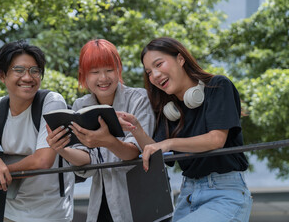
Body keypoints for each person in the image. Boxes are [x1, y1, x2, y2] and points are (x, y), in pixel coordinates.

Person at [116, 37, 253, 222]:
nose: (154, 75)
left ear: (180, 59)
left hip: (225, 192)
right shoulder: (169, 109)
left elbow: (216, 140)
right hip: (188, 194)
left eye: (159, 64)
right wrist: (136, 128)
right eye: (149, 72)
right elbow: (159, 153)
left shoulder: (218, 86)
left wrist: (169, 143)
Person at [46, 39, 155, 222]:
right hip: (101, 203)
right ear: (84, 75)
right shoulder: (82, 105)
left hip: (140, 203)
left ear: (118, 69)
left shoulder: (139, 99)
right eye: (95, 72)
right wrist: (61, 149)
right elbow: (86, 159)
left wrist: (107, 141)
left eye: (109, 70)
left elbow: (135, 153)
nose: (103, 78)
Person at [0, 40, 74, 222]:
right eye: (18, 70)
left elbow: (43, 160)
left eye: (35, 71)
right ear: (2, 75)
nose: (28, 77)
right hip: (7, 211)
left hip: (51, 214)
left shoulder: (51, 102)